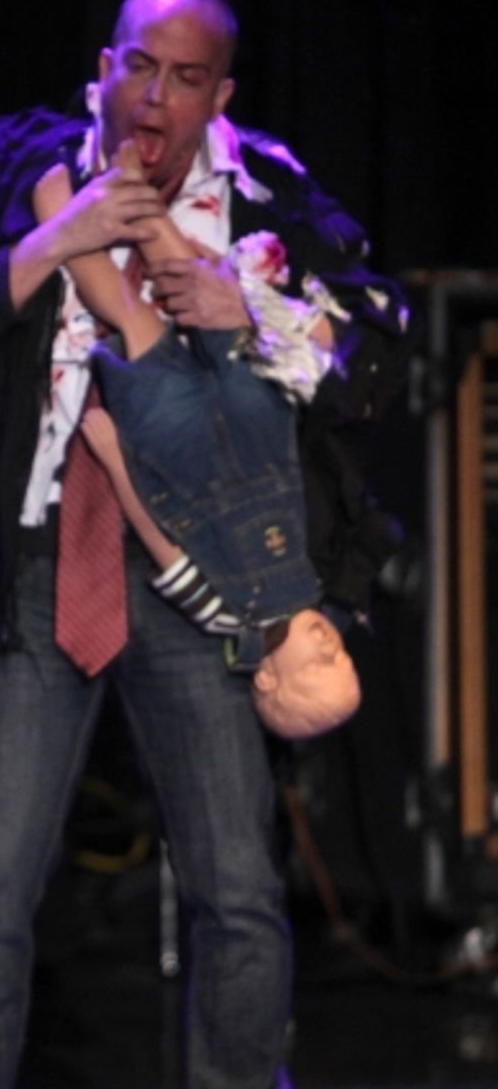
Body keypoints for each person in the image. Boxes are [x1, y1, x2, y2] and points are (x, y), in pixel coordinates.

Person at [0, 0, 409, 1089]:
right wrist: (45, 247)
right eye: (141, 69)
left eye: (187, 80)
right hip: (37, 556)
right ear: (105, 69)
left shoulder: (265, 195)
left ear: (218, 94)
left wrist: (258, 308)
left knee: (236, 872)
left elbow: (383, 350)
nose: (158, 100)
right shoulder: (25, 163)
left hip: (199, 575)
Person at [31, 152, 361, 741]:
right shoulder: (319, 576)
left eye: (320, 665)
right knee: (208, 305)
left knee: (130, 315)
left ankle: (59, 216)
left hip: (178, 447)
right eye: (345, 658)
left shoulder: (226, 614)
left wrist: (114, 461)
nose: (332, 646)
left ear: (268, 680)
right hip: (257, 426)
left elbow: (162, 544)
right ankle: (137, 196)